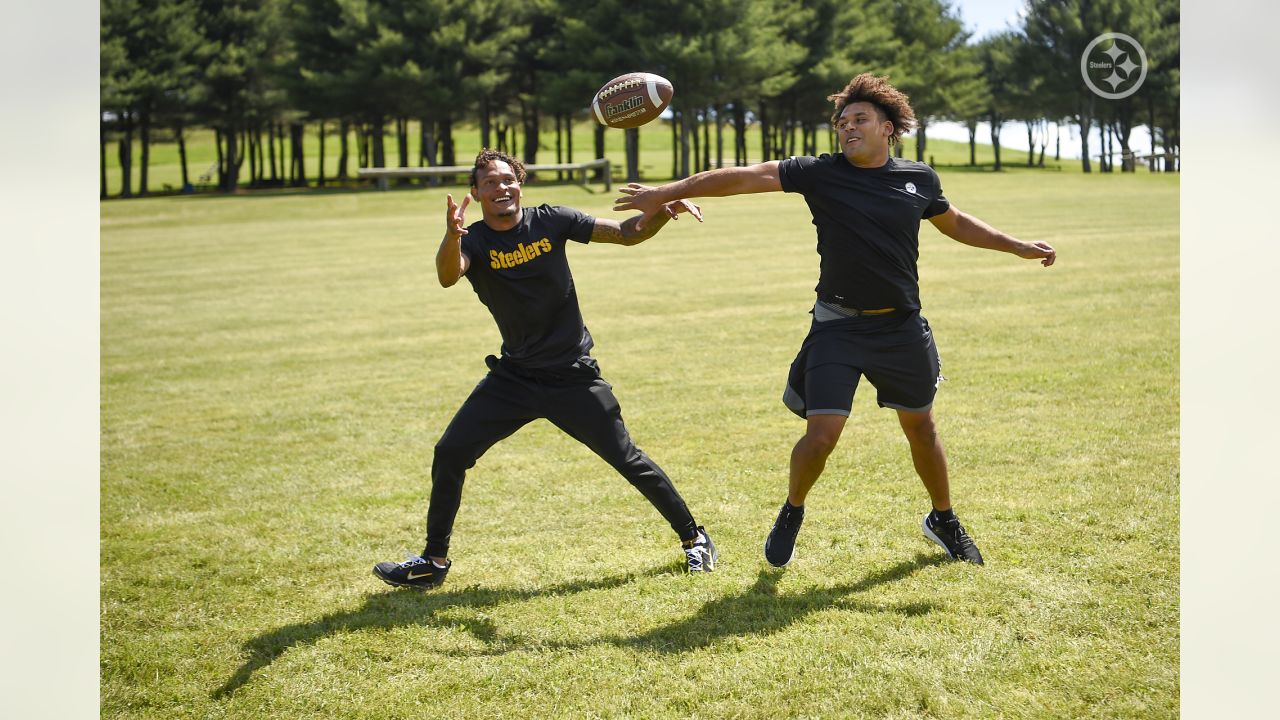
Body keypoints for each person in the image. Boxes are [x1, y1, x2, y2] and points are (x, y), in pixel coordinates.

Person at [614, 74, 1057, 567]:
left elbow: (955, 222)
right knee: (821, 435)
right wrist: (666, 191)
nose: (847, 128)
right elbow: (745, 176)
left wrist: (1015, 244)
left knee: (922, 429)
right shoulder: (819, 173)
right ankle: (792, 509)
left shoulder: (919, 179)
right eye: (842, 122)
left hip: (901, 327)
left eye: (859, 120)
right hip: (838, 325)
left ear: (888, 128)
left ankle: (943, 518)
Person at [374, 149, 717, 590]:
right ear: (476, 194)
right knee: (451, 452)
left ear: (520, 184)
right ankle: (433, 561)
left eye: (508, 179)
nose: (502, 188)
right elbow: (447, 275)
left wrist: (661, 212)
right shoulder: (474, 241)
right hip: (514, 378)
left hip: (572, 375)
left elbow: (626, 233)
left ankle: (694, 537)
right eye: (490, 183)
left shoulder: (551, 219)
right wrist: (452, 236)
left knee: (627, 458)